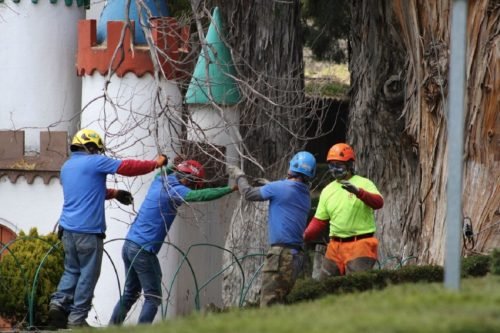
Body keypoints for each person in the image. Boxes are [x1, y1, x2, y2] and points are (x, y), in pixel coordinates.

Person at [48, 128, 168, 329]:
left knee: (72, 270)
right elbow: (126, 167)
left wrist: (114, 193)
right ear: (91, 146)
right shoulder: (94, 161)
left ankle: (58, 303)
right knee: (88, 274)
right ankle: (76, 321)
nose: (98, 153)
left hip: (67, 230)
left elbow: (88, 191)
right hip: (88, 232)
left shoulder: (67, 166)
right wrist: (154, 164)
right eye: (97, 149)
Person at [109, 159, 238, 325]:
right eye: (194, 184)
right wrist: (230, 189)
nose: (192, 188)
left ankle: (112, 327)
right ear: (188, 179)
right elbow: (202, 195)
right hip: (143, 249)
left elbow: (164, 171)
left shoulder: (160, 180)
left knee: (130, 293)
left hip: (129, 245)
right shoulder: (175, 191)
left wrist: (172, 165)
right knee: (153, 296)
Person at [228, 151, 316, 307]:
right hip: (296, 256)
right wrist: (272, 186)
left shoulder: (279, 188)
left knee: (269, 303)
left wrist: (239, 176)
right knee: (280, 301)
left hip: (281, 255)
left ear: (292, 167)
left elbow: (248, 194)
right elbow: (288, 192)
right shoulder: (305, 195)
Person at [303, 143, 384, 279]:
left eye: (338, 165)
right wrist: (304, 236)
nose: (334, 169)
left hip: (360, 244)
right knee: (325, 287)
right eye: (331, 165)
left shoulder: (364, 183)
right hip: (335, 247)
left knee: (356, 287)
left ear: (349, 165)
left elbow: (378, 203)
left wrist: (359, 192)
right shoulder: (328, 190)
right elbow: (319, 221)